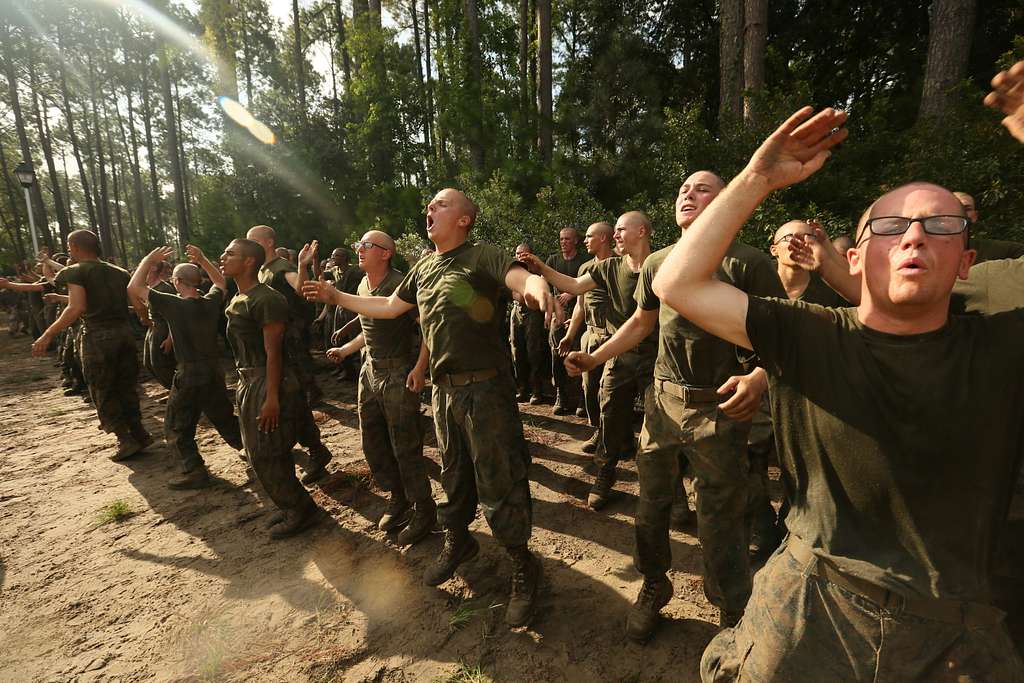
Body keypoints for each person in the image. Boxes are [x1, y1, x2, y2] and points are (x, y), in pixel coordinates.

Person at [652, 92, 1024, 680]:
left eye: (941, 224)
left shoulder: (1001, 340)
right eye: (892, 225)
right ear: (855, 257)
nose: (915, 236)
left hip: (954, 636)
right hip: (808, 610)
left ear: (966, 262)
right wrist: (756, 178)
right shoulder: (811, 333)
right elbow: (677, 282)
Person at [303, 187, 557, 628]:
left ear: (464, 218)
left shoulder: (482, 256)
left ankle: (522, 565)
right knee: (455, 477)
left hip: (487, 394)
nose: (430, 209)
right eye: (429, 205)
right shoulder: (422, 267)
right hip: (444, 393)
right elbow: (386, 306)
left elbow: (519, 278)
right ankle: (458, 542)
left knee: (500, 481)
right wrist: (337, 297)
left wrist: (538, 286)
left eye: (440, 204)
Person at [523, 211, 657, 511]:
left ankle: (670, 492)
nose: (617, 235)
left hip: (656, 358)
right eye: (615, 230)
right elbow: (573, 286)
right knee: (608, 413)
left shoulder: (661, 264)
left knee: (659, 424)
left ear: (642, 232)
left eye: (622, 229)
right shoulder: (609, 267)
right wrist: (541, 268)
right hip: (618, 354)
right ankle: (605, 473)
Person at [322, 231, 436, 546]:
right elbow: (370, 325)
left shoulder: (401, 285)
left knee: (405, 446)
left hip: (398, 373)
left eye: (366, 246)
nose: (359, 250)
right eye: (358, 245)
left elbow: (428, 328)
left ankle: (424, 509)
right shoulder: (361, 284)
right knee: (373, 442)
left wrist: (419, 368)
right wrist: (346, 350)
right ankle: (398, 496)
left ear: (386, 253)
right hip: (369, 371)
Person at [219, 237, 323, 539]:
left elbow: (274, 353)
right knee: (260, 450)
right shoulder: (241, 297)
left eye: (230, 253)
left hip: (267, 380)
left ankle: (300, 509)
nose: (223, 257)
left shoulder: (266, 299)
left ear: (249, 261)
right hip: (250, 379)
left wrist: (272, 398)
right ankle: (292, 504)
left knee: (265, 452)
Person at [127, 246, 244, 489]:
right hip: (213, 369)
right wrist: (202, 259)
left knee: (177, 426)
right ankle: (251, 448)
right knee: (222, 416)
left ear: (178, 282)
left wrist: (149, 259)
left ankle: (194, 470)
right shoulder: (210, 302)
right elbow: (220, 282)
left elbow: (133, 288)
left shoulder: (173, 305)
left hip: (190, 373)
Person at [28, 230, 150, 460]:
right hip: (124, 333)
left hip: (97, 336)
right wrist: (145, 319)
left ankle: (124, 439)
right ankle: (139, 432)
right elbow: (136, 301)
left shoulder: (76, 271)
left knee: (102, 386)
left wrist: (47, 334)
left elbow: (76, 307)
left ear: (73, 247)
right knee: (126, 384)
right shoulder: (120, 272)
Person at [246, 225, 333, 484]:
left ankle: (315, 450)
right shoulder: (261, 270)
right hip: (270, 341)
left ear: (269, 242)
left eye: (254, 241)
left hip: (289, 343)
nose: (250, 246)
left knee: (293, 399)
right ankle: (313, 449)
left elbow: (301, 288)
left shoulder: (282, 267)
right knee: (290, 400)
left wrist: (303, 265)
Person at [558, 222, 614, 453]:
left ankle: (610, 436)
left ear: (602, 238)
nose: (585, 240)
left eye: (589, 236)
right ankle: (599, 429)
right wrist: (570, 336)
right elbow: (580, 306)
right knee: (590, 388)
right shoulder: (585, 268)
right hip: (589, 336)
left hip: (613, 336)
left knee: (610, 391)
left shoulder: (620, 265)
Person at [545, 228, 589, 416]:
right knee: (557, 356)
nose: (564, 242)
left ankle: (581, 399)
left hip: (579, 313)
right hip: (558, 313)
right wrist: (553, 305)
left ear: (576, 241)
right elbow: (543, 285)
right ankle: (560, 396)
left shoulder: (584, 261)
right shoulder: (553, 261)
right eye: (561, 239)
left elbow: (591, 284)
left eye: (568, 239)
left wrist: (571, 293)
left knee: (578, 354)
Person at [510, 242, 551, 404]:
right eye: (518, 253)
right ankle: (522, 389)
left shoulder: (536, 269)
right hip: (516, 311)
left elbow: (544, 286)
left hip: (532, 312)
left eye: (524, 253)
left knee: (534, 352)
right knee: (516, 350)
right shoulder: (512, 269)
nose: (521, 256)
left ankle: (537, 390)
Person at [134, 260, 177, 389]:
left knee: (161, 365)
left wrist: (170, 338)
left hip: (163, 329)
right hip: (154, 328)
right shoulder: (151, 289)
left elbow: (173, 316)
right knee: (149, 364)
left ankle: (179, 391)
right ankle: (174, 390)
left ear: (153, 269)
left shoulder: (164, 289)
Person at [951, 190, 1024, 263]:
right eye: (954, 207)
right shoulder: (939, 250)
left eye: (967, 209)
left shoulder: (994, 250)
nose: (961, 212)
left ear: (974, 216)